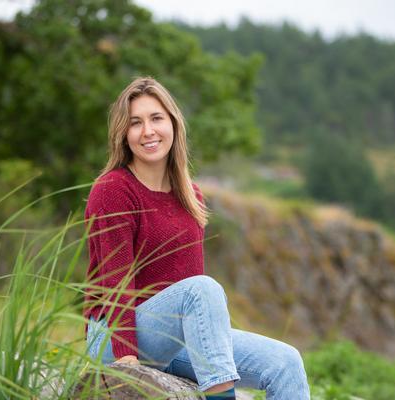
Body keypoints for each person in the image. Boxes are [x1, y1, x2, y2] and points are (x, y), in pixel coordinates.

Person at [83, 76, 310, 399]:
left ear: (173, 124)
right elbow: (115, 282)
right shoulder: (113, 190)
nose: (148, 131)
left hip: (174, 340)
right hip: (114, 336)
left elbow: (186, 282)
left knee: (286, 362)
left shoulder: (191, 195)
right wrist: (127, 361)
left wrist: (208, 340)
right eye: (136, 123)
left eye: (156, 118)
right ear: (123, 134)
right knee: (202, 288)